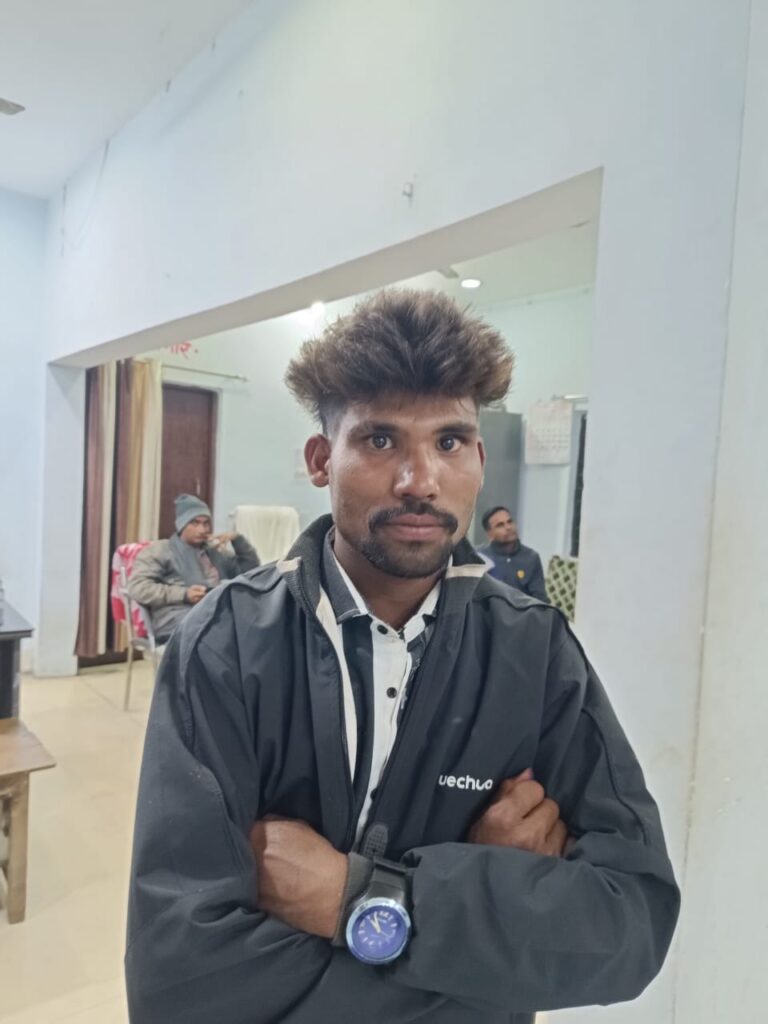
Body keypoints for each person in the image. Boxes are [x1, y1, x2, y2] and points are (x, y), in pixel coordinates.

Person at [126, 291, 679, 1024]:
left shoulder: (533, 650)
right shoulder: (228, 642)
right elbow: (181, 985)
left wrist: (357, 900)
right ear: (322, 459)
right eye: (381, 440)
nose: (420, 481)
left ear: (479, 458)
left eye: (449, 441)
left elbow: (629, 925)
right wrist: (486, 923)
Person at [127, 493, 259, 642]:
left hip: (217, 612)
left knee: (256, 625)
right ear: (182, 525)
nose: (202, 529)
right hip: (176, 618)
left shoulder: (214, 551)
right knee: (222, 631)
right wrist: (184, 594)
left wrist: (238, 541)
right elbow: (138, 587)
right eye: (194, 523)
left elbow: (250, 575)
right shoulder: (159, 551)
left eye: (206, 523)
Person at [478, 506, 548, 602]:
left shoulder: (531, 557)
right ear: (490, 534)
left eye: (510, 522)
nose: (508, 527)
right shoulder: (480, 557)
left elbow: (540, 599)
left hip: (523, 610)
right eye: (500, 525)